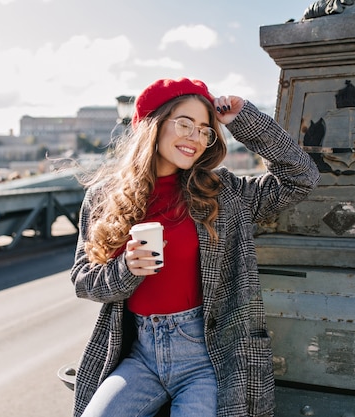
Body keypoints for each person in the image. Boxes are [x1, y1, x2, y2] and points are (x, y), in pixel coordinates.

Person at [70, 77, 320, 417]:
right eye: (185, 124)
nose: (196, 138)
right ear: (153, 125)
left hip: (207, 356)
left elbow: (300, 177)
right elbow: (83, 280)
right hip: (140, 353)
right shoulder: (103, 197)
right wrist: (126, 269)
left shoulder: (223, 193)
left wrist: (245, 119)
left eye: (205, 130)